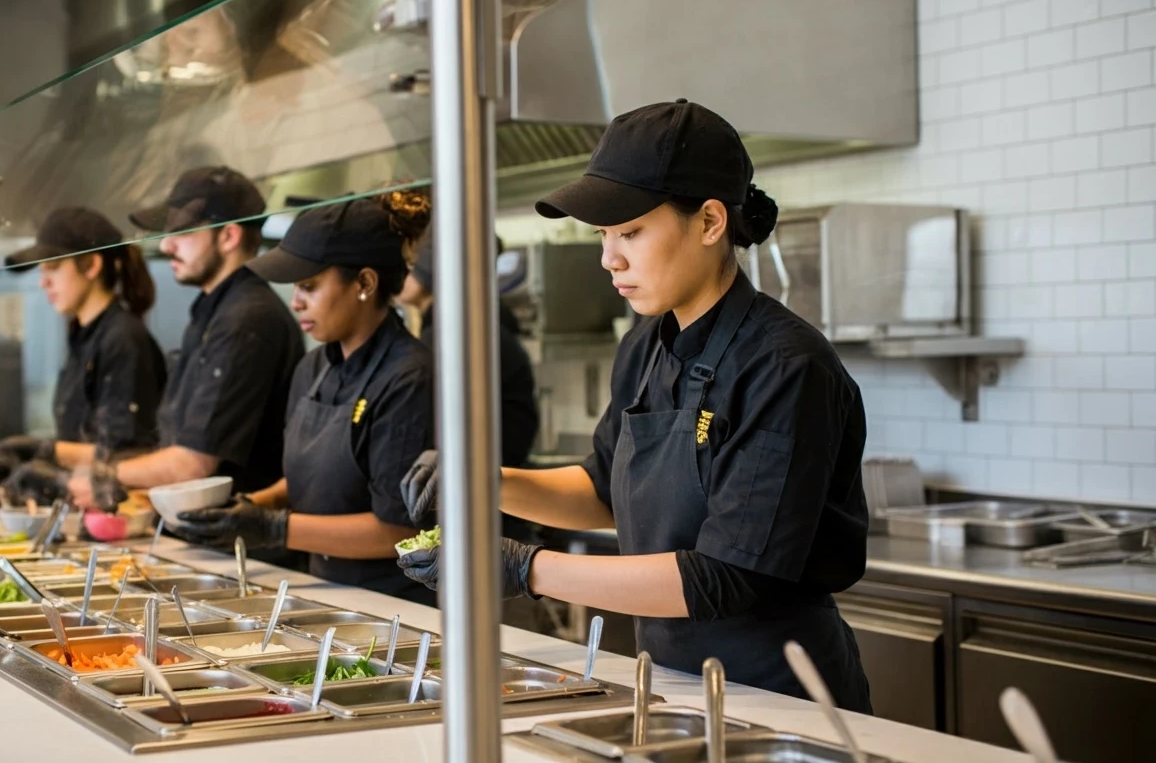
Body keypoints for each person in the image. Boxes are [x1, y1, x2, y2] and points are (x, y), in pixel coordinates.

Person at [396, 100, 872, 711]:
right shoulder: (646, 343)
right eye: (602, 235)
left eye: (631, 231)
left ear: (708, 221)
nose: (608, 258)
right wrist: (483, 483)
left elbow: (726, 576)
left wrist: (524, 568)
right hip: (673, 684)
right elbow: (602, 489)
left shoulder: (784, 367)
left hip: (780, 698)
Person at [170, 191, 438, 605]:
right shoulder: (313, 369)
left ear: (365, 283)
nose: (295, 301)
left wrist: (275, 527)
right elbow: (308, 484)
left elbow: (399, 531)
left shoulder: (408, 377)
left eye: (309, 286)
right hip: (324, 593)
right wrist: (237, 510)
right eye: (295, 287)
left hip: (395, 608)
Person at [5, 167, 304, 515]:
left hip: (243, 548)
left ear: (229, 237)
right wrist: (48, 452)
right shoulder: (213, 313)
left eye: (182, 232)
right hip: (204, 533)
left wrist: (100, 476)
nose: (166, 245)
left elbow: (193, 464)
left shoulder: (246, 319)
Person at [0, 207, 166, 495]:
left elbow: (128, 453)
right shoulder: (83, 336)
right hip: (88, 502)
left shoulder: (122, 338)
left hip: (117, 511)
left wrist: (48, 452)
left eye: (53, 267)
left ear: (91, 266)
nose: (42, 281)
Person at [398, 234, 539, 468]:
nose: (401, 273)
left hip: (484, 480)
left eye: (411, 265)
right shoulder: (461, 325)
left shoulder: (453, 335)